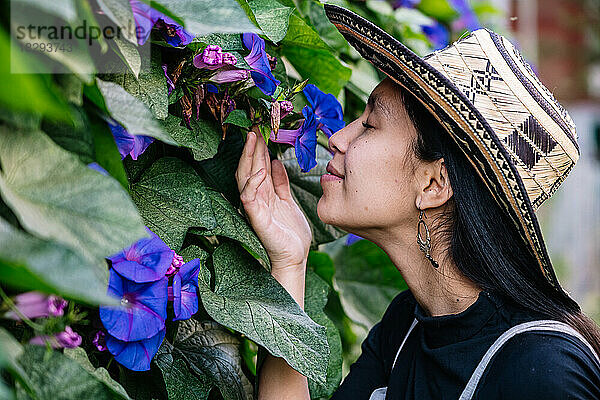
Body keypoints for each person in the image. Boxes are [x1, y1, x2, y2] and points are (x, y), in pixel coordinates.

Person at [235, 4, 600, 400]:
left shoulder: (542, 373)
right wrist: (290, 263)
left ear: (433, 183)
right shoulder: (408, 324)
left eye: (370, 124)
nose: (338, 139)